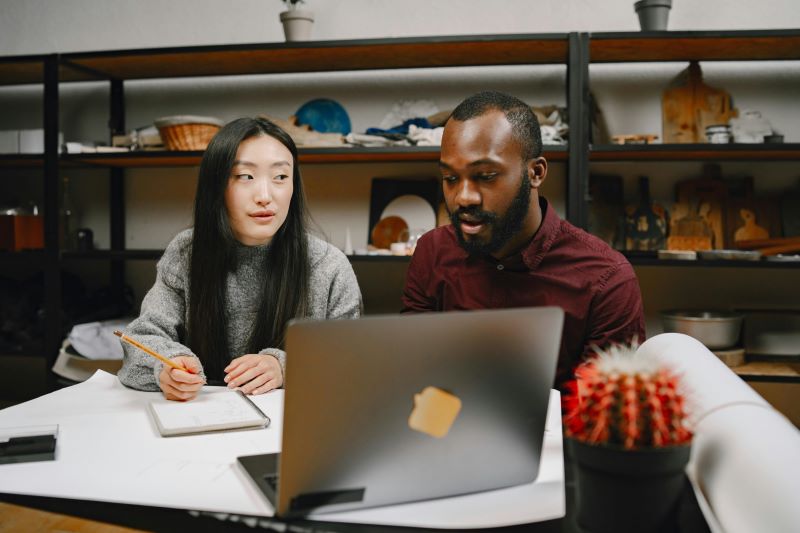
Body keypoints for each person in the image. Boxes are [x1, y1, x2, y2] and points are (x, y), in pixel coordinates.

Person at [401, 91, 644, 387]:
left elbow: (604, 418)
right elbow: (415, 376)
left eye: (487, 175)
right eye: (451, 179)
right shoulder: (432, 252)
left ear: (536, 172)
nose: (463, 198)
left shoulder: (606, 280)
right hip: (445, 426)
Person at [118, 117, 362, 400]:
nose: (264, 196)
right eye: (245, 176)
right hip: (201, 424)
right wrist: (167, 367)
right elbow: (142, 339)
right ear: (217, 186)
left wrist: (285, 366)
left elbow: (350, 361)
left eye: (281, 177)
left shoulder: (328, 265)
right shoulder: (188, 252)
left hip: (293, 433)